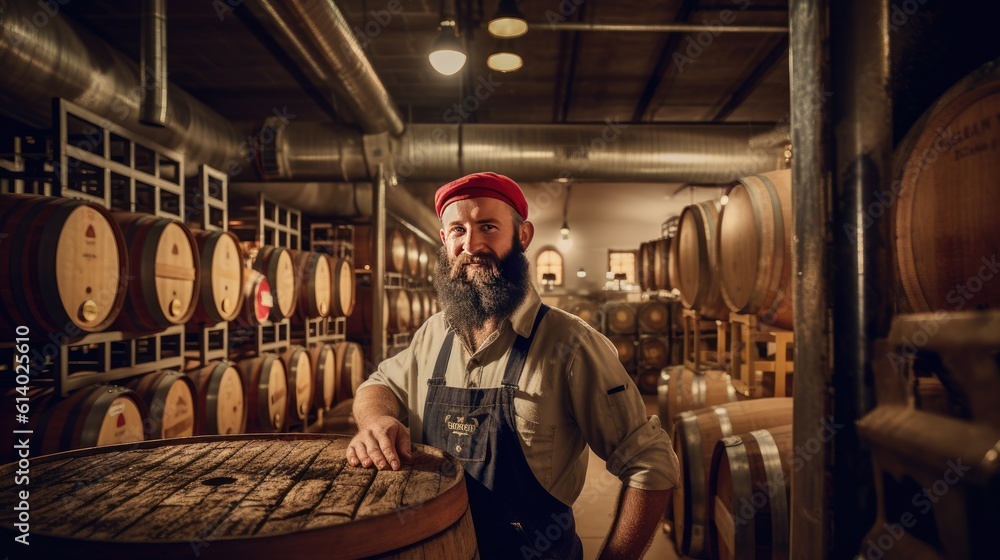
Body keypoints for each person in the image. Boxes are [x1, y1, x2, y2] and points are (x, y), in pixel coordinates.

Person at [347, 172, 679, 560]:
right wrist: (376, 421)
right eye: (458, 230)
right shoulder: (432, 335)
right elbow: (378, 383)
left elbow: (650, 462)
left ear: (522, 237)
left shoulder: (571, 345)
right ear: (444, 241)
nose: (471, 244)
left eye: (487, 226)